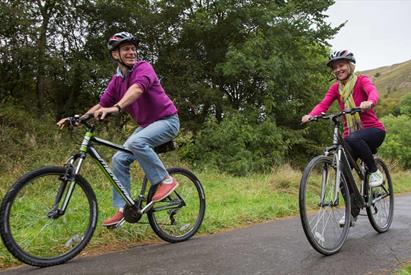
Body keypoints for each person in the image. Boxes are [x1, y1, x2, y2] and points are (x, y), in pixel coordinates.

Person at [57, 31, 180, 227]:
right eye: (126, 49)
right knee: (119, 159)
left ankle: (166, 180)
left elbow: (138, 89)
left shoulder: (143, 67)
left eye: (133, 49)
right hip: (146, 125)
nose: (131, 52)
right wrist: (79, 119)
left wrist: (117, 107)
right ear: (116, 54)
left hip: (167, 120)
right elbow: (102, 103)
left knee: (136, 142)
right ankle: (123, 209)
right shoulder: (117, 80)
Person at [301, 50, 386, 225]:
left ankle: (374, 172)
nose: (338, 69)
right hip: (352, 138)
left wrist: (369, 102)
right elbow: (323, 104)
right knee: (341, 172)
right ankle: (352, 211)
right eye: (335, 67)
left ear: (349, 65)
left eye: (341, 65)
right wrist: (311, 115)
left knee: (353, 138)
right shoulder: (335, 89)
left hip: (373, 131)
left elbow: (372, 92)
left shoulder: (361, 81)